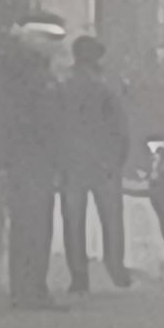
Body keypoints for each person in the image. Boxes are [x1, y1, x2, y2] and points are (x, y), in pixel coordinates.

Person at [56, 36, 139, 292]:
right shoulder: (108, 84)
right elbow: (120, 126)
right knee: (112, 217)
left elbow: (54, 125)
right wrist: (119, 157)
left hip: (72, 160)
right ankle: (116, 268)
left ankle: (79, 276)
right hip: (104, 161)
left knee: (73, 221)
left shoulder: (63, 84)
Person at [0, 23, 67, 310]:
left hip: (30, 160)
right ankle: (30, 291)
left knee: (29, 227)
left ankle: (28, 289)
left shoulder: (24, 78)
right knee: (33, 227)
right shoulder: (31, 80)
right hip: (32, 161)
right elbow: (39, 122)